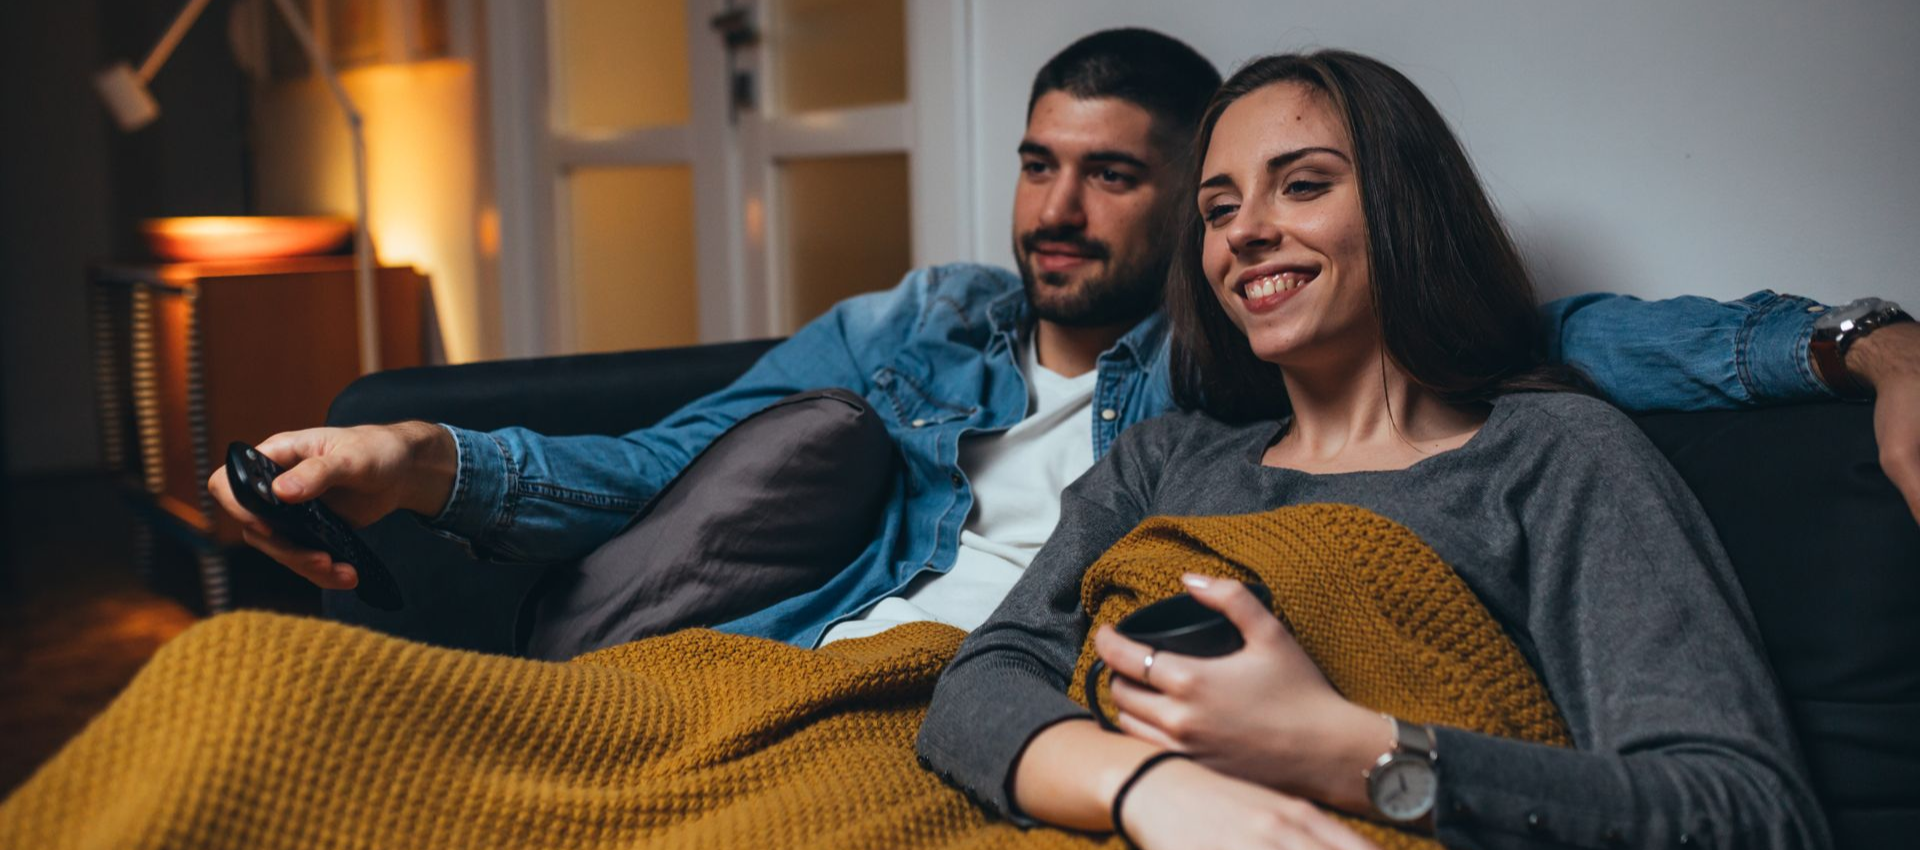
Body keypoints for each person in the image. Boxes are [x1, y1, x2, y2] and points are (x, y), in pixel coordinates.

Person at [209, 29, 1919, 656]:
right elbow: (663, 465)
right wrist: (410, 457)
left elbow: (1577, 338)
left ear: (1193, 211)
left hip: (981, 701)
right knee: (242, 682)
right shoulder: (920, 322)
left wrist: (1868, 346)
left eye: (1114, 177)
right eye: (1040, 161)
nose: (1057, 208)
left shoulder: (1223, 381)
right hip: (799, 652)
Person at [916, 50, 1828, 850]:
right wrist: (1158, 791)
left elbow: (1745, 809)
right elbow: (983, 683)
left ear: (1406, 205)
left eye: (1303, 184)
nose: (1245, 230)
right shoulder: (1161, 462)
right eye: (1218, 207)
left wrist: (1348, 751)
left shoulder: (1555, 457)